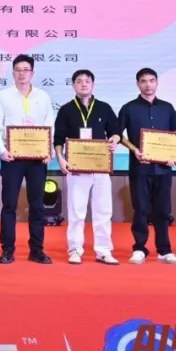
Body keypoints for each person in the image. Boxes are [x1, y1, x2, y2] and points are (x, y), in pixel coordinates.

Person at [118, 68, 176, 265]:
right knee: (140, 209)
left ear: (157, 82)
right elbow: (117, 134)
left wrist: (174, 155)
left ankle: (165, 250)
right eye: (143, 81)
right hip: (140, 168)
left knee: (163, 210)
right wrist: (134, 149)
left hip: (163, 169)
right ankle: (140, 248)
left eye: (151, 80)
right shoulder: (129, 108)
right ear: (137, 84)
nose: (148, 85)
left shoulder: (167, 108)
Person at [53, 69, 121, 265]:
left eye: (87, 81)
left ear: (93, 84)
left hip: (100, 166)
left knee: (103, 210)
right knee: (76, 210)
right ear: (73, 85)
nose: (83, 84)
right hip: (76, 167)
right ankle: (75, 249)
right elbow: (58, 138)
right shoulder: (66, 110)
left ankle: (104, 250)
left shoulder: (104, 108)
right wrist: (61, 159)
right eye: (79, 81)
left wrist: (114, 140)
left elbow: (116, 131)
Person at [0, 54, 55, 264]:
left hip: (37, 158)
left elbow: (49, 125)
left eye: (26, 70)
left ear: (32, 73)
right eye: (18, 70)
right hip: (12, 157)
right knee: (9, 204)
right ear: (13, 73)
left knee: (37, 204)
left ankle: (37, 250)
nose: (22, 73)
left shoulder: (43, 96)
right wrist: (2, 150)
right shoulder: (3, 96)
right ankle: (7, 250)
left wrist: (47, 150)